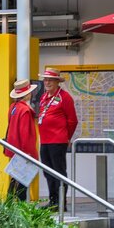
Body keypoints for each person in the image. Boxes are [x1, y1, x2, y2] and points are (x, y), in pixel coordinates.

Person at [37, 67, 78, 211]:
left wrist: (66, 137)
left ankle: (61, 203)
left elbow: (73, 121)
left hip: (58, 141)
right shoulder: (43, 97)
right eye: (45, 79)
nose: (47, 82)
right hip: (45, 141)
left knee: (59, 172)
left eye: (50, 80)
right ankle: (52, 201)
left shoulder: (65, 97)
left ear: (56, 82)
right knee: (48, 172)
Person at [4, 79, 38, 201]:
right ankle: (20, 208)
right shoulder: (25, 111)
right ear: (27, 94)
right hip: (23, 151)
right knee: (22, 183)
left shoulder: (13, 107)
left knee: (14, 179)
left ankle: (8, 203)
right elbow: (25, 134)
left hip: (14, 148)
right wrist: (29, 154)